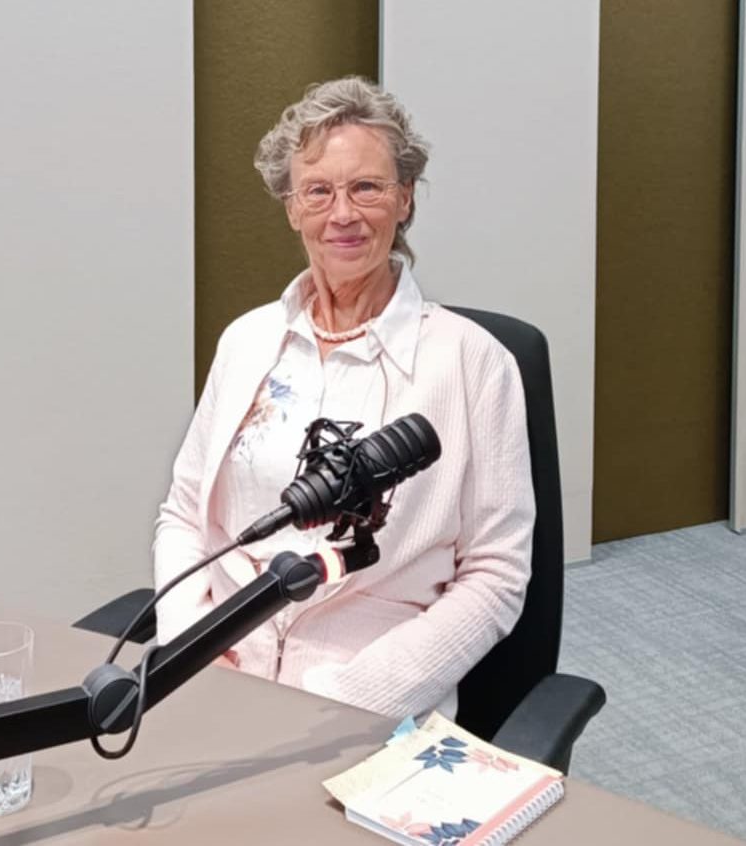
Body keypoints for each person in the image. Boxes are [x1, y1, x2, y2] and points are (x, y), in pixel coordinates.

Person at [153, 78, 534, 719]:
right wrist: (190, 648)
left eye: (367, 187)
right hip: (218, 678)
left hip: (370, 699)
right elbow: (184, 515)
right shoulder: (247, 341)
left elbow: (496, 575)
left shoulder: (474, 363)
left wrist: (346, 704)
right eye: (318, 191)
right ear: (291, 208)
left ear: (405, 198)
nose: (343, 214)